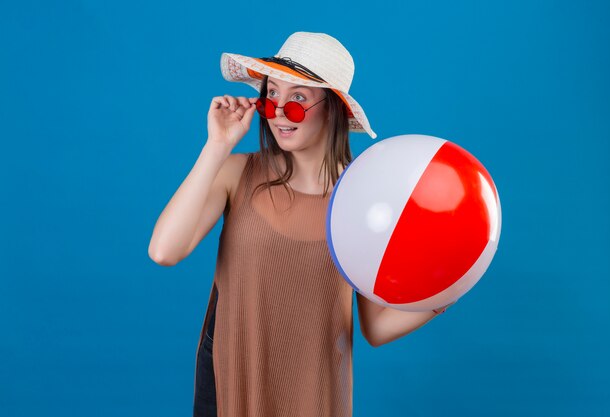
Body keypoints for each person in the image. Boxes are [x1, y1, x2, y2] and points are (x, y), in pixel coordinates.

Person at [148, 32, 454, 417]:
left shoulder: (360, 201)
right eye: (271, 95)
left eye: (298, 99)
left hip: (314, 395)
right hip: (230, 388)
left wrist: (446, 293)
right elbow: (164, 250)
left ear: (334, 109)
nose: (277, 111)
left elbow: (375, 327)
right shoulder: (235, 172)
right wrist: (217, 145)